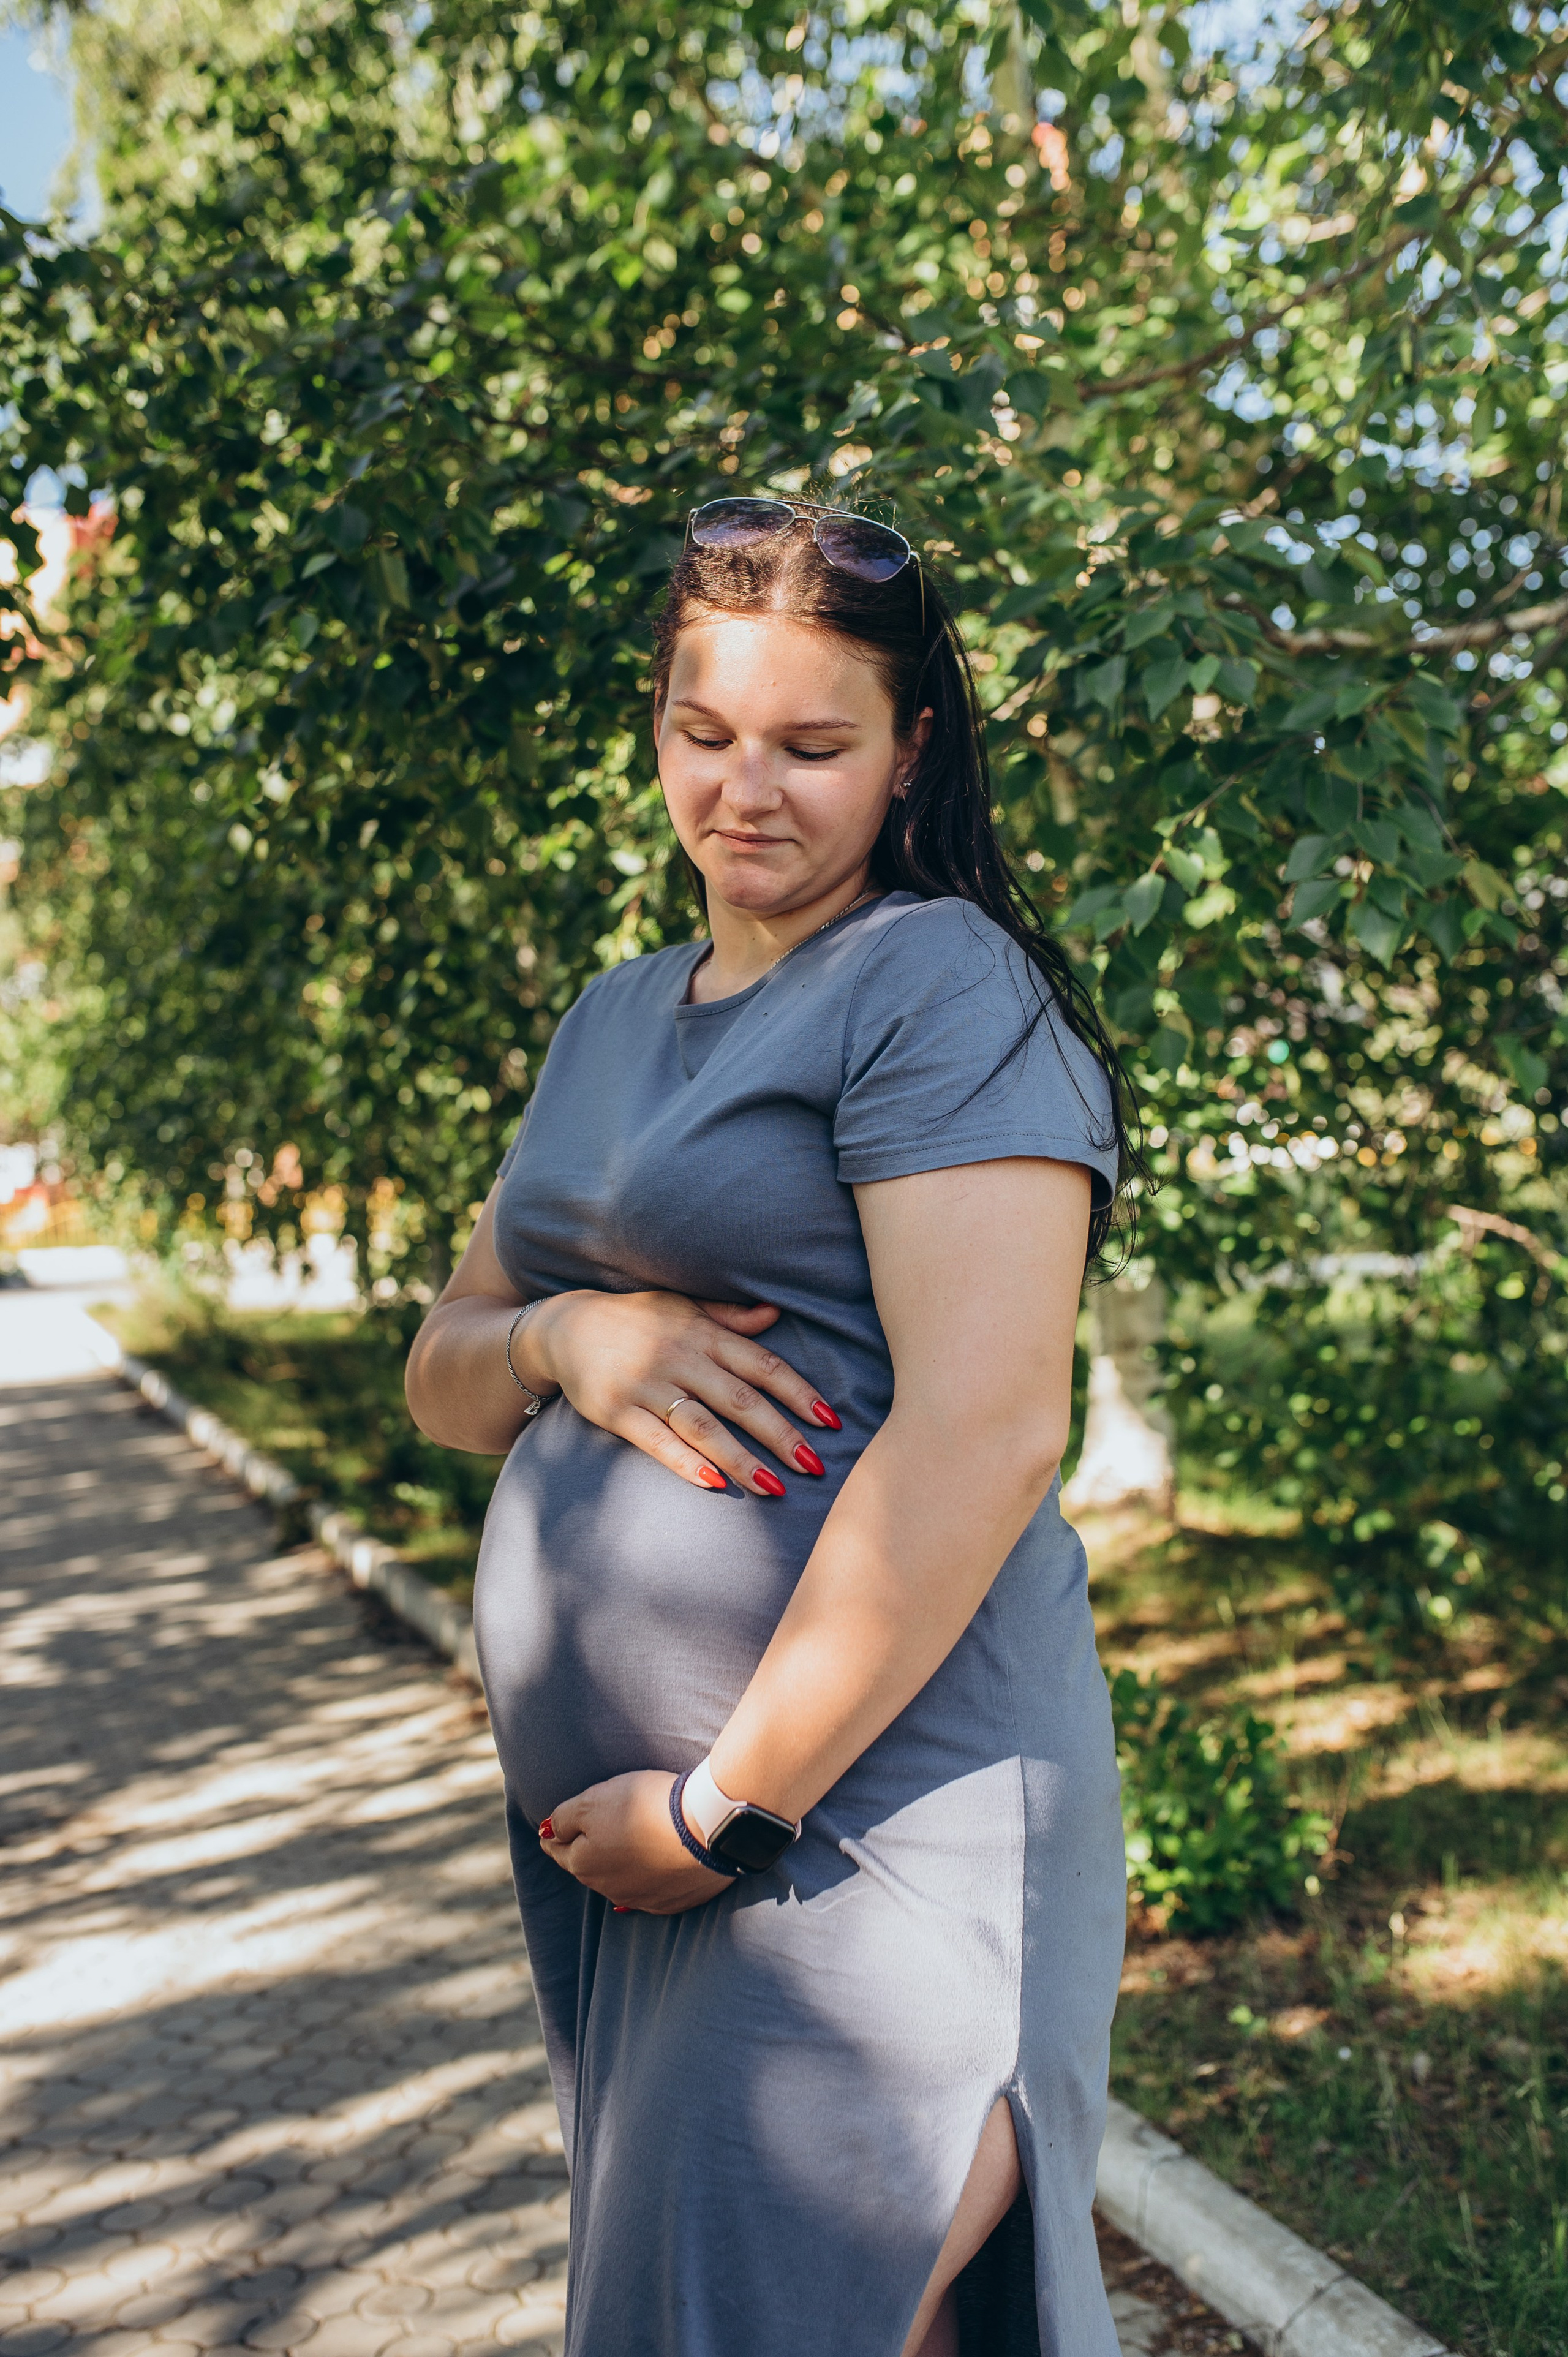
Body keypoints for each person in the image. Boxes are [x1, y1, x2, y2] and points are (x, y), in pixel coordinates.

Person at [405, 494, 1140, 2357]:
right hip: (646, 1849)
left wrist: (727, 1811)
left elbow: (986, 1437)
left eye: (814, 746)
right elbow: (442, 1373)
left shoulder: (937, 987)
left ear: (907, 760)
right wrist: (571, 1333)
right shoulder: (612, 1020)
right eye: (706, 734)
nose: (749, 791)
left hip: (872, 1813)